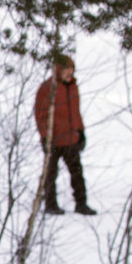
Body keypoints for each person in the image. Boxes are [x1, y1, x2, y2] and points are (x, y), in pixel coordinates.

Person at [34, 54, 96, 216]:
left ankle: (81, 204)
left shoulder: (73, 86)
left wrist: (81, 131)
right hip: (53, 140)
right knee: (50, 174)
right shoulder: (47, 88)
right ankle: (50, 204)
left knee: (77, 174)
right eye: (66, 70)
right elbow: (40, 114)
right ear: (58, 70)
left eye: (71, 69)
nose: (70, 73)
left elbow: (76, 113)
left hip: (71, 139)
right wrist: (45, 136)